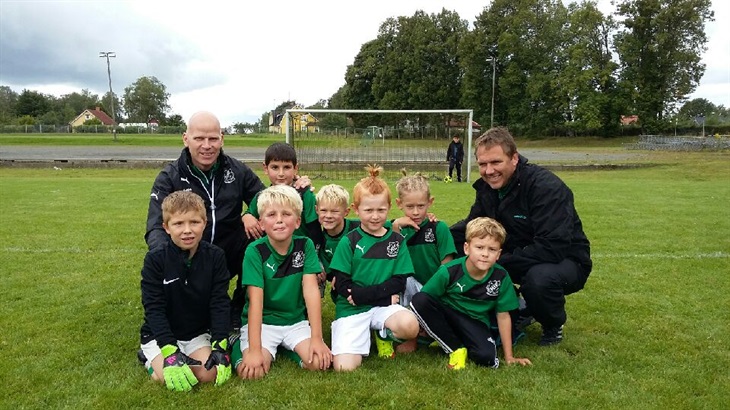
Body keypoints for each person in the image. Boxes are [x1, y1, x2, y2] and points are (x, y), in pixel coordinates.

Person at [144, 112, 309, 330]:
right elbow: (156, 226)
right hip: (189, 252)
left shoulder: (237, 170)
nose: (207, 146)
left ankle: (239, 308)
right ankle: (173, 312)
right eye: (199, 138)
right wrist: (169, 259)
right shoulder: (169, 177)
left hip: (228, 252)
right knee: (166, 269)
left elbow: (270, 202)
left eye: (213, 139)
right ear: (186, 139)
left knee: (257, 236)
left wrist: (294, 188)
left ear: (221, 139)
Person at [450, 127, 592, 346]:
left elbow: (552, 246)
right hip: (516, 254)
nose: (489, 171)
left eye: (496, 162)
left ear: (514, 158)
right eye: (483, 164)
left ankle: (552, 323)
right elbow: (473, 226)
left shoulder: (546, 187)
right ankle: (515, 307)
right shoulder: (489, 188)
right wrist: (437, 233)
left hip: (564, 260)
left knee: (538, 279)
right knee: (459, 247)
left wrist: (497, 262)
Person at [231, 185, 332, 379]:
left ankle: (288, 349)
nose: (279, 220)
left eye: (286, 214)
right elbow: (256, 301)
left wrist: (317, 339)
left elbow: (311, 291)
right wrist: (254, 349)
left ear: (297, 221)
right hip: (264, 323)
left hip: (295, 321)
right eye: (271, 215)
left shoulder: (305, 245)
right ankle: (238, 343)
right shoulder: (254, 251)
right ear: (261, 223)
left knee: (320, 363)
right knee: (253, 372)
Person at [328, 165, 420, 371]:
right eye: (368, 210)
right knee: (344, 368)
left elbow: (399, 282)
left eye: (381, 210)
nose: (375, 216)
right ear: (356, 209)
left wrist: (367, 296)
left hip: (381, 306)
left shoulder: (396, 241)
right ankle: (360, 335)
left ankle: (383, 333)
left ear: (389, 207)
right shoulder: (349, 241)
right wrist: (379, 297)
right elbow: (341, 284)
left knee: (410, 326)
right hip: (352, 309)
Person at [139, 191, 232, 391]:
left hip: (196, 333)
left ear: (204, 223)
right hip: (160, 336)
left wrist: (219, 344)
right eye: (178, 224)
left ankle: (184, 353)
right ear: (166, 227)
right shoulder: (155, 260)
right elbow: (154, 308)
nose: (187, 230)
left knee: (208, 374)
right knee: (168, 378)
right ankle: (148, 358)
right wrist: (169, 351)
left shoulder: (215, 256)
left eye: (194, 222)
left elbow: (220, 302)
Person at [411, 217, 532, 370]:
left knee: (486, 359)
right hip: (449, 315)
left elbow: (503, 315)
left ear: (498, 254)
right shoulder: (449, 271)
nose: (485, 254)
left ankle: (460, 342)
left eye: (492, 249)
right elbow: (426, 300)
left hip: (475, 322)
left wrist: (509, 356)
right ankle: (456, 349)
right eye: (479, 247)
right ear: (467, 248)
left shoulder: (501, 277)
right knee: (420, 299)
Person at [389, 170, 457, 353]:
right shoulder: (393, 228)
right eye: (410, 206)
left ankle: (425, 332)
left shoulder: (438, 228)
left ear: (430, 202)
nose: (416, 212)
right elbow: (390, 259)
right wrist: (396, 227)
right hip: (408, 287)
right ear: (399, 204)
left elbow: (447, 266)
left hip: (435, 289)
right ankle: (411, 335)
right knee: (401, 281)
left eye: (421, 206)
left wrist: (430, 292)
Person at [242, 142, 324, 250]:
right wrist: (246, 217)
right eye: (275, 167)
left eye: (286, 167)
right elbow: (250, 213)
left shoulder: (305, 194)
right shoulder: (261, 197)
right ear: (265, 168)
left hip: (301, 253)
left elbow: (315, 230)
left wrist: (314, 254)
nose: (281, 173)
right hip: (271, 255)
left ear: (295, 168)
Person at [315, 184, 361, 282]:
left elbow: (388, 226)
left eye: (335, 211)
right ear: (316, 210)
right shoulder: (320, 240)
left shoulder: (361, 227)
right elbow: (331, 274)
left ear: (346, 212)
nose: (328, 216)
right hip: (343, 285)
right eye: (323, 210)